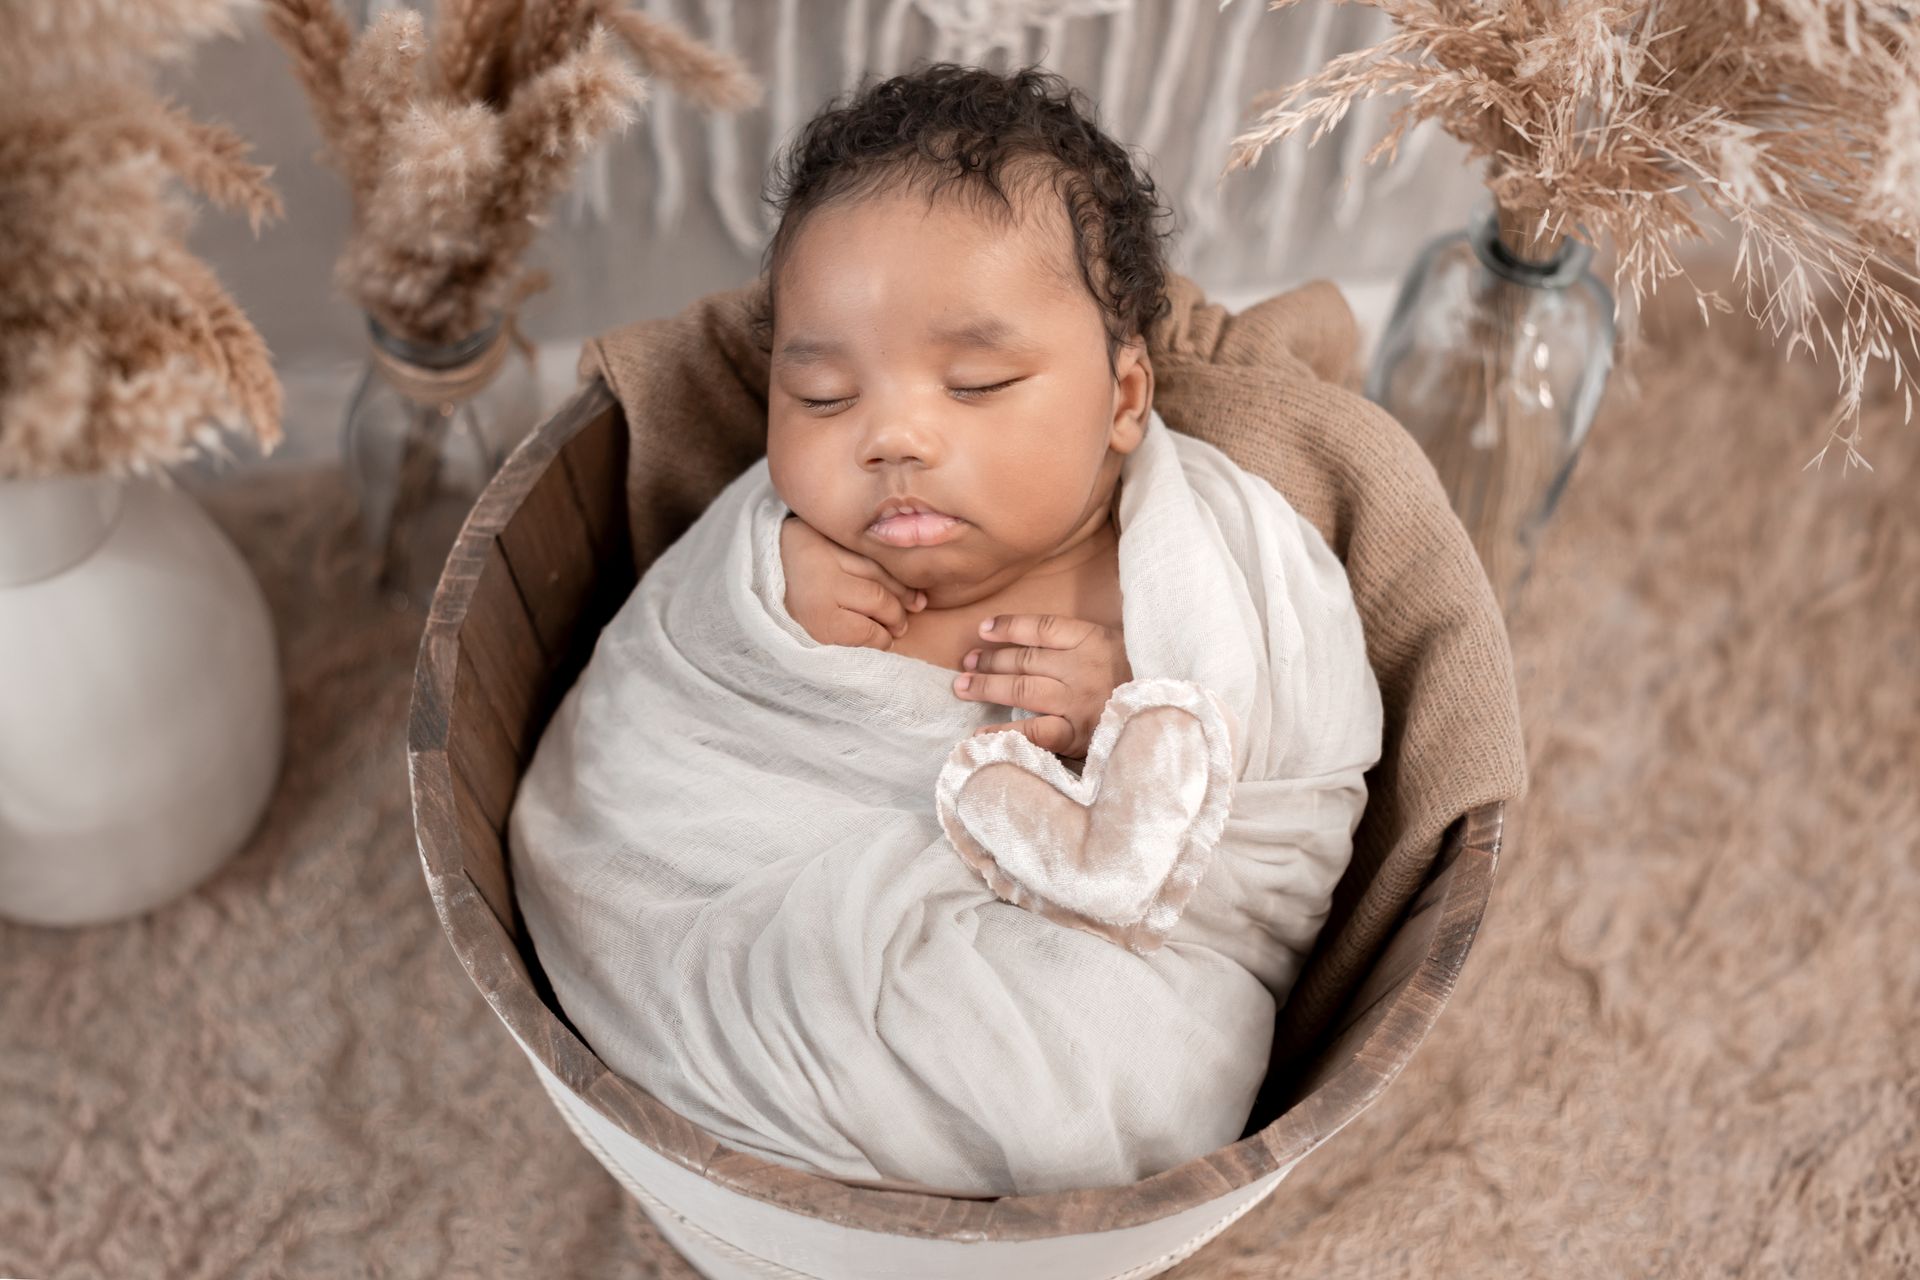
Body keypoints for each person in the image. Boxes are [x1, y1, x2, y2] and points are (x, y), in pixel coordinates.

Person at [763, 62, 1163, 761]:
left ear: (1122, 400)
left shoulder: (1179, 582)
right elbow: (670, 673)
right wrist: (762, 589)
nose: (893, 439)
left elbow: (1274, 744)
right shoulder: (776, 555)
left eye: (977, 384)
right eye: (825, 395)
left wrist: (1142, 708)